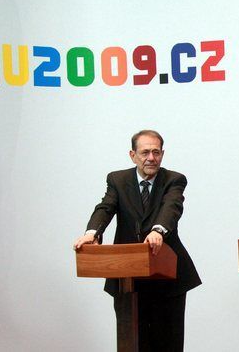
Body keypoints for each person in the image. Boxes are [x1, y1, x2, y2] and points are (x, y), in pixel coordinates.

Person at [73, 130, 201, 352]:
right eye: (145, 152)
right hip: (128, 277)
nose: (151, 158)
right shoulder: (117, 180)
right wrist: (92, 233)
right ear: (132, 155)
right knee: (133, 341)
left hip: (167, 276)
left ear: (162, 154)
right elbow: (106, 207)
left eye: (156, 152)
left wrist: (158, 231)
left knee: (167, 342)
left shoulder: (174, 179)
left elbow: (171, 207)